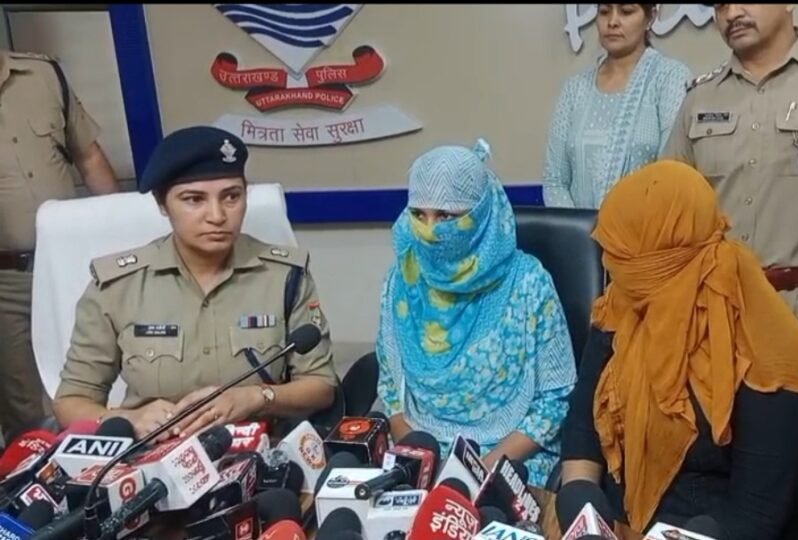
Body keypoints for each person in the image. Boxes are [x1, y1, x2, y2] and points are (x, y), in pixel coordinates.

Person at [560, 160, 798, 539]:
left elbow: (755, 517)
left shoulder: (772, 356)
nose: (612, 269)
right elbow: (582, 431)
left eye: (627, 258)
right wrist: (582, 507)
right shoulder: (624, 303)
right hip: (621, 525)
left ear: (664, 256)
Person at [53, 126, 337, 441]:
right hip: (151, 454)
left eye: (231, 196)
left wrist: (257, 397)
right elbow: (71, 401)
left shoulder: (285, 276)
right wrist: (128, 418)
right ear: (162, 204)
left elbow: (321, 386)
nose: (217, 215)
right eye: (194, 199)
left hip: (260, 450)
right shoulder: (118, 286)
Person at [660, 4, 798, 325]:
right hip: (719, 313)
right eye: (720, 6)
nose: (732, 13)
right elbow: (670, 209)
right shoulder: (700, 97)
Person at [376, 139, 577, 487]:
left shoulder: (528, 283)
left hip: (508, 458)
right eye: (419, 215)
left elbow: (554, 403)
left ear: (480, 214)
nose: (430, 231)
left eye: (446, 216)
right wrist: (419, 459)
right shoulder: (403, 279)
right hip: (423, 456)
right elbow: (392, 388)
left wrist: (472, 474)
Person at [0, 49, 118, 440]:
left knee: (94, 383)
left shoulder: (43, 74)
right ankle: (33, 475)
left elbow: (89, 157)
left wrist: (122, 238)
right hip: (7, 281)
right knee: (26, 408)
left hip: (72, 266)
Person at [542, 3, 690, 209]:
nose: (612, 22)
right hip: (576, 228)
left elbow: (672, 174)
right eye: (604, 12)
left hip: (645, 227)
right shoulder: (575, 88)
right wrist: (578, 227)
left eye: (626, 11)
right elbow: (555, 181)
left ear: (650, 17)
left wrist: (618, 228)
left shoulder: (669, 78)